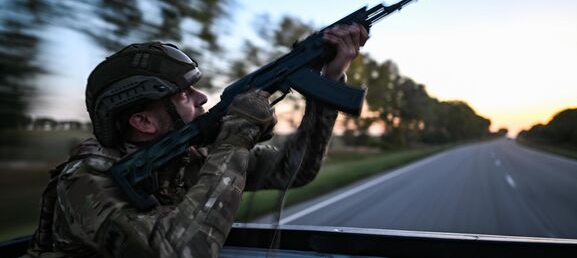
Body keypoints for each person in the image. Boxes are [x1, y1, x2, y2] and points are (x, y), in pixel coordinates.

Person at [23, 23, 368, 258]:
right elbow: (183, 251)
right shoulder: (86, 180)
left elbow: (296, 169)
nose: (203, 98)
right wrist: (234, 140)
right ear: (142, 121)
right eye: (184, 94)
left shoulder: (189, 154)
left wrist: (330, 80)